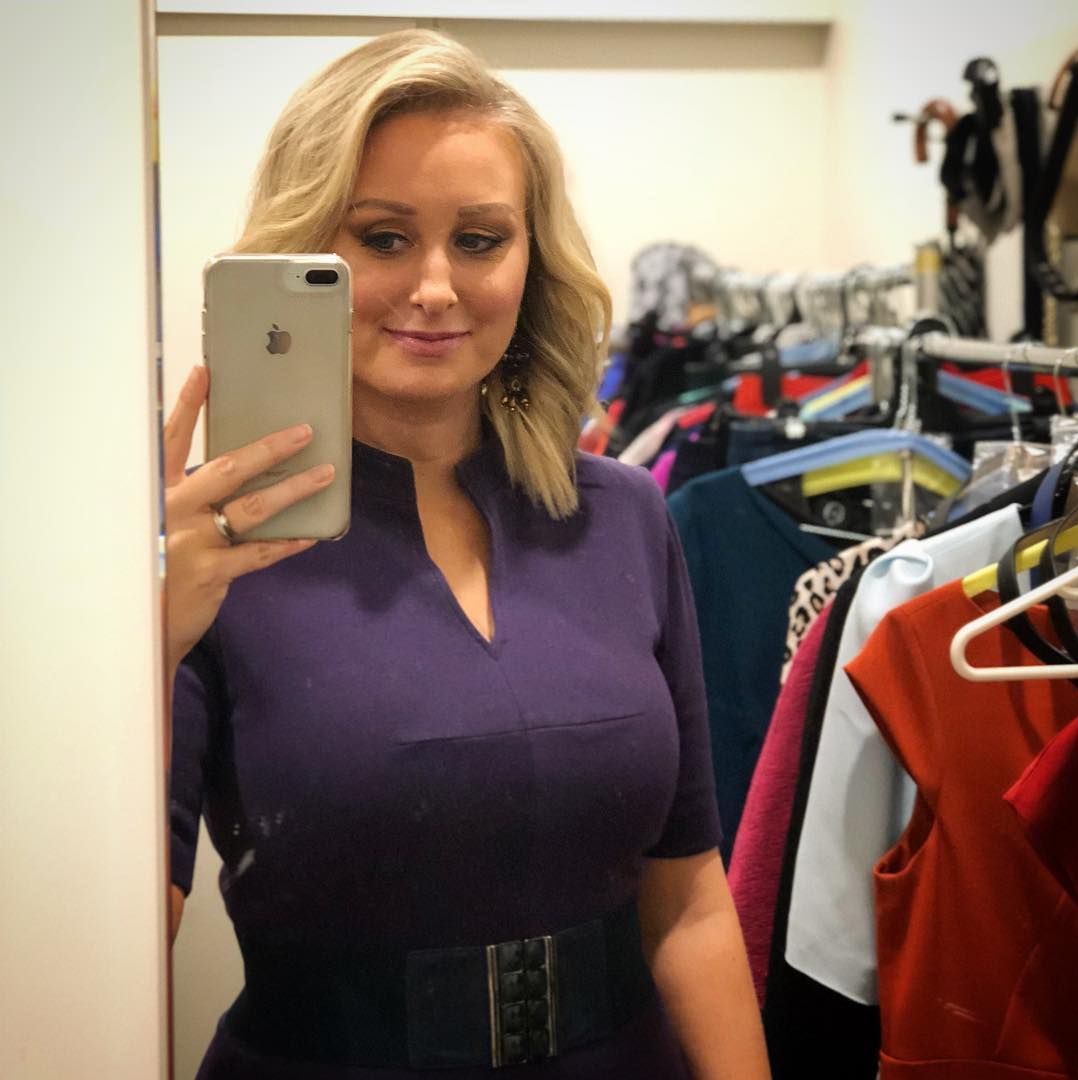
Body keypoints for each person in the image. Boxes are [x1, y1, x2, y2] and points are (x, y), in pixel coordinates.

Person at [165, 28, 770, 1080]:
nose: (437, 287)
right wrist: (146, 642)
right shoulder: (213, 557)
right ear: (304, 255)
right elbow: (116, 946)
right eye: (383, 238)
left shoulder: (626, 517)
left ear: (532, 262)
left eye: (481, 239)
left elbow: (688, 902)